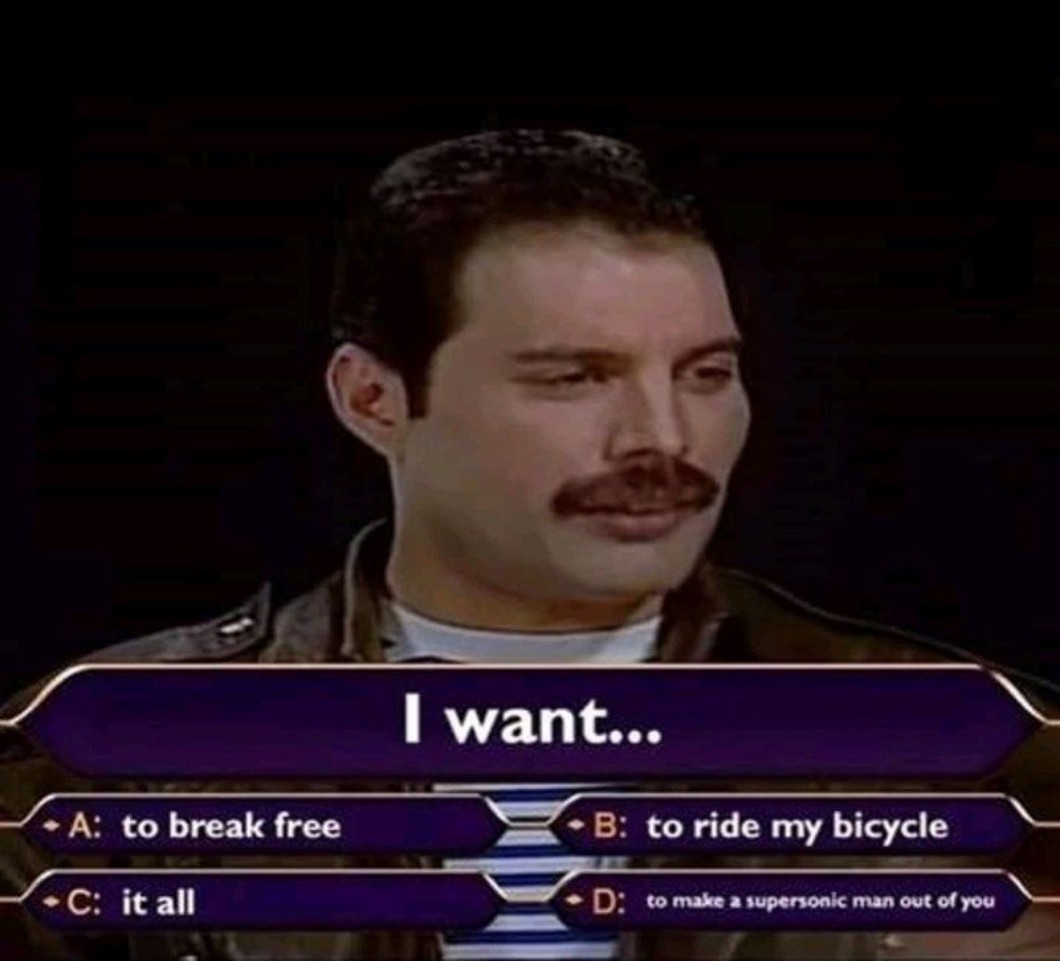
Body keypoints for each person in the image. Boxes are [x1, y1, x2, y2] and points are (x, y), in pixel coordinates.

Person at [1, 128, 1058, 959]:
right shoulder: (105, 766)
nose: (664, 438)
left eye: (705, 373)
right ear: (373, 398)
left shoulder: (975, 758)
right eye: (573, 377)